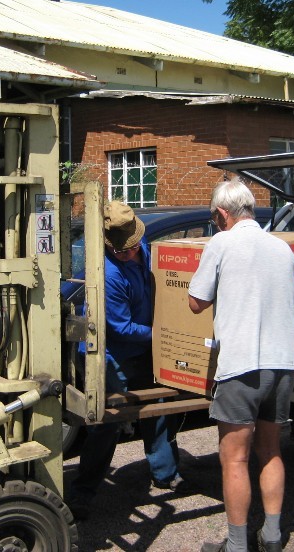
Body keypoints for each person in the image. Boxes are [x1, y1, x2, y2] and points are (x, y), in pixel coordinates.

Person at [188, 178, 294, 552]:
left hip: (241, 366)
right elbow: (291, 311)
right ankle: (273, 536)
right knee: (271, 450)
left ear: (222, 214)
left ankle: (237, 545)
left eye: (215, 218)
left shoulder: (221, 243)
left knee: (234, 458)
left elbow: (196, 302)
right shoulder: (283, 250)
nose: (215, 223)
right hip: (282, 364)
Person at [66, 201, 183, 521]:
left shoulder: (141, 248)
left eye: (133, 248)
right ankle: (83, 491)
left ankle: (165, 474)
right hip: (113, 354)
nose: (130, 254)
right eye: (122, 251)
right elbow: (120, 328)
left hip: (143, 348)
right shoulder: (108, 276)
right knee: (108, 422)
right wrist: (161, 333)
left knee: (158, 409)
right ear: (108, 246)